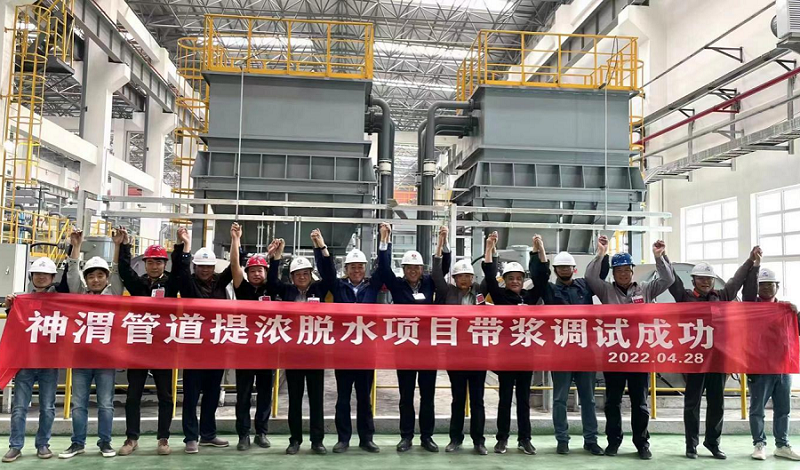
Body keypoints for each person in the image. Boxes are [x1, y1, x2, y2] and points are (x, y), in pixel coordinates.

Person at [585, 235, 674, 460]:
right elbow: (590, 277)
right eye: (619, 270)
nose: (623, 274)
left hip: (639, 356)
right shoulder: (605, 291)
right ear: (613, 273)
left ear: (632, 271)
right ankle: (613, 442)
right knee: (612, 402)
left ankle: (641, 443)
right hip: (614, 355)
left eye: (627, 270)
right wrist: (601, 253)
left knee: (640, 403)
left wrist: (659, 256)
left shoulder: (646, 289)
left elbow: (668, 280)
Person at [667, 248, 761, 460]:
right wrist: (662, 257)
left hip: (718, 360)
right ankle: (691, 445)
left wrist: (750, 262)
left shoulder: (722, 296)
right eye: (701, 278)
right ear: (693, 280)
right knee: (692, 404)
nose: (705, 282)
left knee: (717, 404)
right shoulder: (684, 297)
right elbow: (672, 280)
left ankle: (713, 443)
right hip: (694, 360)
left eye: (709, 279)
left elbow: (737, 281)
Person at [530, 234, 605, 456]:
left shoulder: (585, 286)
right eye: (560, 267)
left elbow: (600, 275)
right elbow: (538, 275)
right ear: (555, 270)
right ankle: (562, 439)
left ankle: (591, 440)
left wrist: (602, 253)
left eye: (568, 267)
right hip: (560, 352)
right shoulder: (549, 290)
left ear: (574, 269)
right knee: (560, 399)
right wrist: (538, 251)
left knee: (588, 399)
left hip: (585, 352)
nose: (564, 270)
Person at [372, 223, 440, 453]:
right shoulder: (397, 285)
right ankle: (406, 436)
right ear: (403, 269)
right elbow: (383, 269)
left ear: (422, 269)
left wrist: (442, 243)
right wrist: (385, 240)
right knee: (406, 396)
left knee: (428, 396)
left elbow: (442, 269)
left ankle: (427, 437)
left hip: (428, 349)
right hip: (405, 348)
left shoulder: (430, 283)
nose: (412, 271)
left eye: (416, 267)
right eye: (409, 267)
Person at [266, 231, 334, 455]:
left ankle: (317, 441)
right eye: (298, 274)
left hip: (315, 353)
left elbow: (330, 276)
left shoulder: (319, 289)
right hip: (293, 353)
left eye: (306, 273)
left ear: (311, 275)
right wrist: (276, 258)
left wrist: (320, 247)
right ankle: (294, 440)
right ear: (292, 276)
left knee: (316, 399)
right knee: (294, 399)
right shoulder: (286, 291)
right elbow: (272, 283)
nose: (302, 277)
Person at [59, 230, 123, 459]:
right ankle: (77, 443)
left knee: (105, 404)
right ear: (86, 279)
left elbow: (117, 272)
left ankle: (105, 442)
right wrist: (76, 246)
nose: (96, 280)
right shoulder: (79, 294)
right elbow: (72, 274)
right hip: (81, 359)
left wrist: (117, 247)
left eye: (100, 275)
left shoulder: (114, 294)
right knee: (78, 404)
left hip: (106, 360)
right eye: (91, 276)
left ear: (106, 277)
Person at [315, 235, 382, 454]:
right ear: (346, 269)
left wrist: (385, 242)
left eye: (360, 266)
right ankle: (343, 439)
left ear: (365, 268)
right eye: (353, 267)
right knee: (343, 398)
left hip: (366, 352)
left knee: (364, 398)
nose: (357, 270)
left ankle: (366, 439)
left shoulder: (372, 287)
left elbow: (384, 268)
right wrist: (321, 248)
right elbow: (326, 271)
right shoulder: (339, 286)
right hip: (343, 352)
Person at [115, 227, 176, 456]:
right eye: (150, 262)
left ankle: (163, 438)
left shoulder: (171, 285)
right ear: (145, 263)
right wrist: (124, 245)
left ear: (165, 264)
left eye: (159, 262)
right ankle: (132, 438)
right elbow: (124, 270)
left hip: (163, 347)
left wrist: (182, 245)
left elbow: (181, 270)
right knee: (133, 395)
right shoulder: (139, 285)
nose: (154, 266)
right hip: (139, 345)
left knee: (165, 395)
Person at [172, 227, 231, 454]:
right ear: (194, 267)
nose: (205, 270)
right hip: (194, 348)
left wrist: (235, 240)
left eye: (209, 266)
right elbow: (180, 269)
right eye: (201, 266)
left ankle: (208, 434)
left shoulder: (219, 284)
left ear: (214, 267)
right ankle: (191, 437)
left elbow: (234, 268)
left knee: (212, 394)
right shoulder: (188, 285)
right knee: (191, 395)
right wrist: (185, 246)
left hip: (216, 347)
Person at [481, 231, 539, 455]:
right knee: (504, 400)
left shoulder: (530, 298)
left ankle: (525, 439)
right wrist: (489, 248)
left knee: (523, 401)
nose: (515, 281)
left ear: (523, 280)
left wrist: (537, 251)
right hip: (506, 358)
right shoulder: (500, 298)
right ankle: (502, 438)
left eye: (518, 278)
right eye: (510, 278)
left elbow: (542, 278)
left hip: (526, 358)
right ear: (504, 281)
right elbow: (489, 277)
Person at [431, 226, 487, 456]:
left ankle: (479, 441)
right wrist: (440, 243)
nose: (465, 279)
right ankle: (455, 439)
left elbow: (491, 276)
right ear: (454, 278)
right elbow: (436, 274)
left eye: (468, 276)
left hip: (477, 356)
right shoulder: (447, 293)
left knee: (478, 400)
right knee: (457, 399)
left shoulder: (480, 292)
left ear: (473, 278)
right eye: (461, 276)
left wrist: (490, 249)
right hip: (455, 355)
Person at [2, 257, 60, 462]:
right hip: (25, 361)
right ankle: (15, 446)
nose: (41, 277)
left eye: (45, 274)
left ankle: (43, 444)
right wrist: (10, 308)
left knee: (48, 407)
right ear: (31, 276)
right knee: (19, 407)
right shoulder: (21, 299)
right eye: (37, 274)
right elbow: (15, 326)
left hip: (49, 362)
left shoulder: (60, 301)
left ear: (52, 277)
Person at [743, 264, 800, 461]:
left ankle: (782, 445)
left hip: (783, 366)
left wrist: (796, 314)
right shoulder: (750, 309)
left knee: (783, 409)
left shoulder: (786, 309)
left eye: (770, 284)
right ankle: (759, 444)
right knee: (757, 409)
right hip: (759, 367)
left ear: (777, 286)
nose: (767, 288)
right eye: (762, 284)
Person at [229, 223, 274, 452]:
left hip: (267, 352)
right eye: (253, 270)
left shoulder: (272, 289)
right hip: (245, 351)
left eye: (261, 270)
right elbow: (234, 266)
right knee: (244, 395)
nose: (257, 273)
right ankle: (243, 434)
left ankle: (261, 433)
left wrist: (273, 256)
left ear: (266, 272)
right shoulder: (242, 289)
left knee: (265, 394)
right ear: (247, 274)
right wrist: (236, 239)